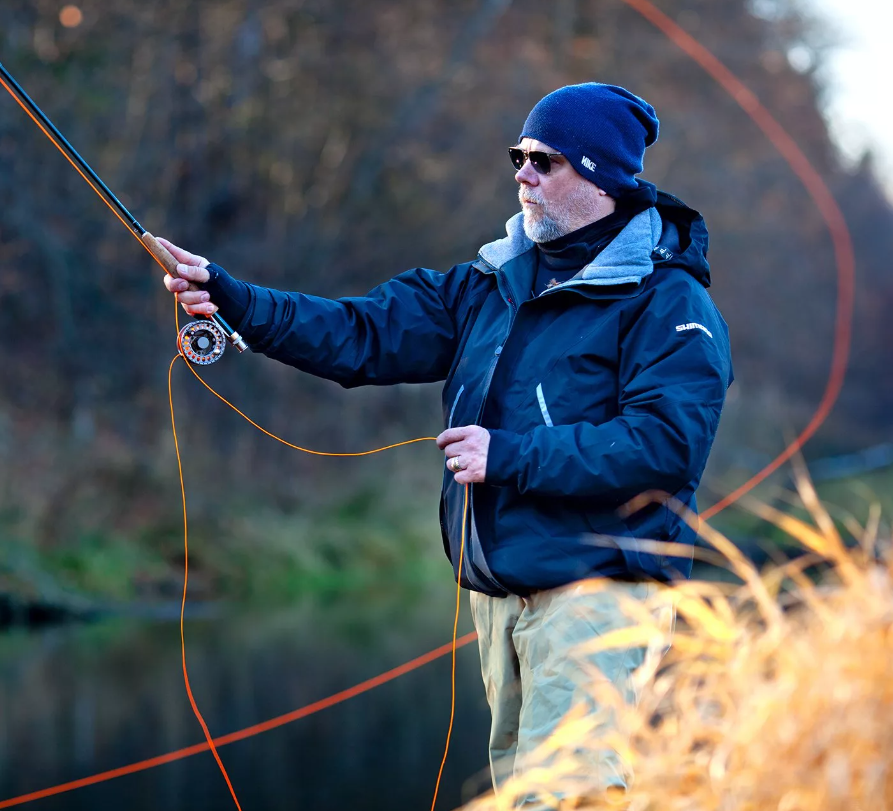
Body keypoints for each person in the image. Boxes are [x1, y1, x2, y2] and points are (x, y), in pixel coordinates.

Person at [160, 83, 733, 803]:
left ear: (600, 175)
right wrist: (233, 295)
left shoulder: (669, 302)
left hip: (599, 603)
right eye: (518, 156)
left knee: (572, 799)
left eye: (544, 160)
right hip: (499, 605)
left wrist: (510, 455)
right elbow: (358, 335)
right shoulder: (484, 286)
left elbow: (665, 445)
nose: (522, 173)